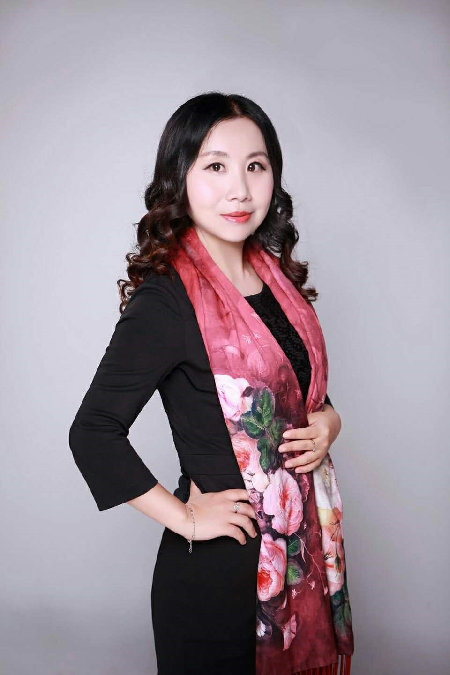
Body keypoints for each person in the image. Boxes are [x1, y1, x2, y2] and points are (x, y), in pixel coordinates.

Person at [69, 92, 354, 675]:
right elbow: (93, 431)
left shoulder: (278, 283)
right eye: (216, 166)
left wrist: (329, 421)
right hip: (218, 580)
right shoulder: (168, 299)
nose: (239, 190)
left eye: (256, 166)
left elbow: (295, 393)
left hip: (304, 562)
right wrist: (185, 518)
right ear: (180, 177)